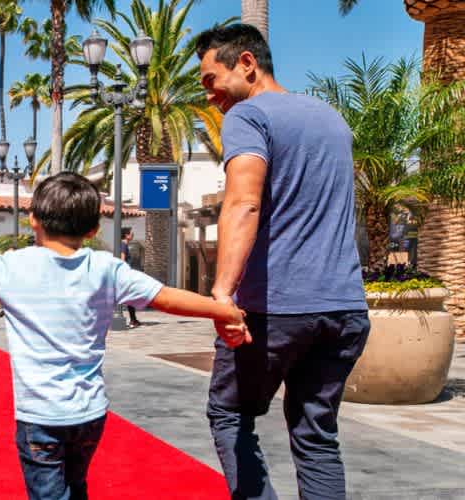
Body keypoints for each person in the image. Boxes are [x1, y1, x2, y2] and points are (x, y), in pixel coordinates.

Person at [0, 172, 248, 500]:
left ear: (34, 220)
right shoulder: (106, 268)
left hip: (40, 416)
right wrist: (224, 310)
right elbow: (167, 298)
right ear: (95, 228)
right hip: (89, 414)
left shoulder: (11, 267)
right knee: (77, 484)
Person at [195, 25, 370, 499]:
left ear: (247, 63)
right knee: (317, 436)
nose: (209, 95)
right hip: (345, 309)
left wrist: (222, 293)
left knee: (230, 414)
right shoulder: (331, 118)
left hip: (277, 310)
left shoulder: (248, 116)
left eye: (211, 79)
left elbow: (243, 203)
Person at [120, 227, 141, 328]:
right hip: (125, 275)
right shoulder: (123, 245)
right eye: (131, 233)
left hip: (126, 274)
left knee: (130, 298)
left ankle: (133, 319)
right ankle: (133, 320)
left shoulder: (125, 245)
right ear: (126, 235)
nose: (133, 234)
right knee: (130, 297)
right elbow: (122, 259)